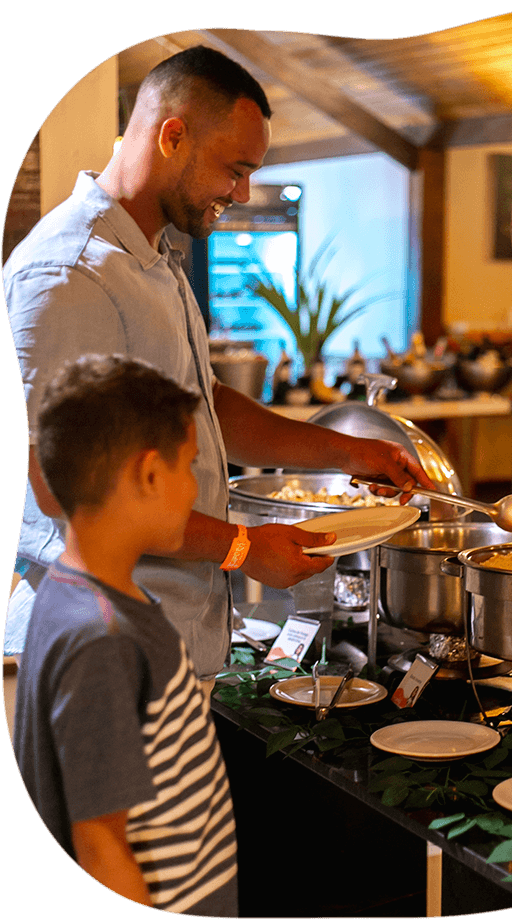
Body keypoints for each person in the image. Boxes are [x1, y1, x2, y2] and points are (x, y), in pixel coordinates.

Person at [4, 44, 432, 679]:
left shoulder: (156, 261)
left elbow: (205, 403)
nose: (244, 191)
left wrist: (346, 452)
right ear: (172, 136)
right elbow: (67, 490)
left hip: (169, 643)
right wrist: (242, 547)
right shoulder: (67, 275)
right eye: (234, 169)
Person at [14, 354, 238, 916]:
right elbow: (100, 842)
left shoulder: (69, 593)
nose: (194, 489)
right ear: (149, 474)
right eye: (188, 467)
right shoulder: (104, 638)